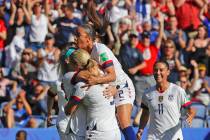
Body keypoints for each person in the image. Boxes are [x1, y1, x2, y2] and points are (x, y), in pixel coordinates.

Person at [74, 1, 136, 139]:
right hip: (108, 86)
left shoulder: (100, 50)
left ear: (89, 40)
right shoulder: (85, 52)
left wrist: (95, 80)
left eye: (78, 35)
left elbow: (112, 75)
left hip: (122, 86)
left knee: (124, 123)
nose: (75, 38)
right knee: (115, 126)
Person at [64, 49, 121, 140]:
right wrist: (114, 88)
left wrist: (67, 106)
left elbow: (68, 111)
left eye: (70, 62)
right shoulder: (104, 76)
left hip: (97, 132)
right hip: (114, 131)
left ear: (77, 65)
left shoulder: (81, 86)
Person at [136, 60, 196, 140]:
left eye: (161, 70)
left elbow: (192, 109)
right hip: (153, 137)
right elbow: (145, 113)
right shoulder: (147, 93)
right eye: (155, 70)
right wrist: (141, 129)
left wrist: (191, 116)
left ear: (168, 72)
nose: (158, 73)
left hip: (173, 137)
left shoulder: (178, 90)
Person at [47, 45, 86, 140]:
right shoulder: (60, 82)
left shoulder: (59, 81)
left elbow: (50, 94)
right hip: (68, 126)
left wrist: (49, 112)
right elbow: (50, 94)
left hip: (74, 124)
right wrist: (49, 113)